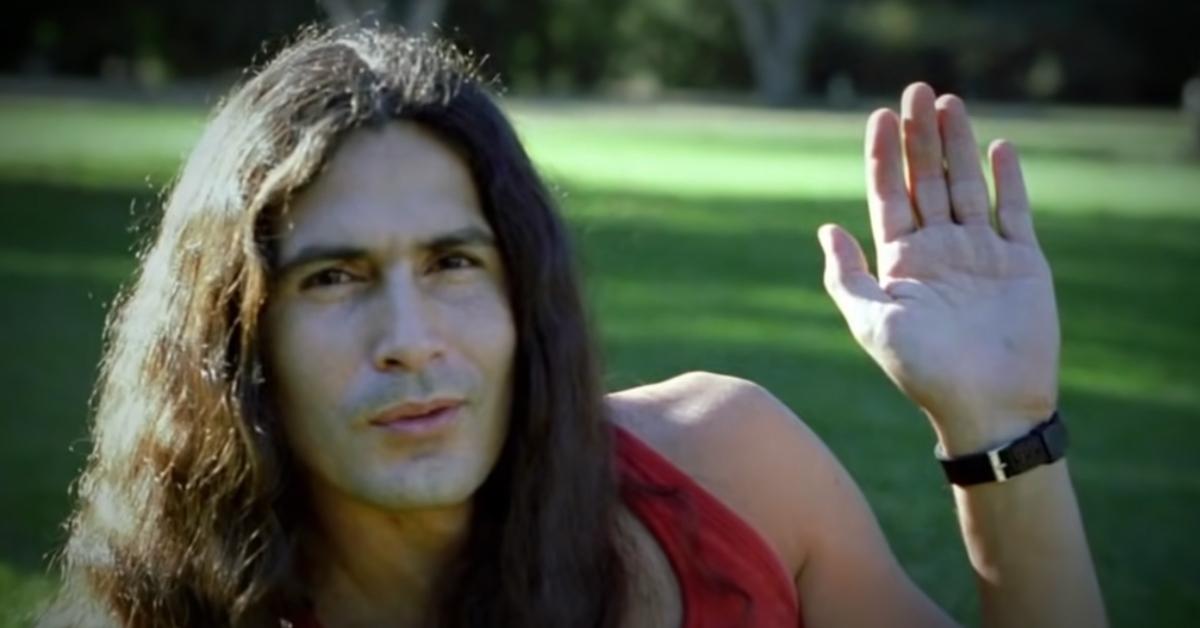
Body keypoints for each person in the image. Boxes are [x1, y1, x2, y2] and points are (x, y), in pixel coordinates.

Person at [42, 26, 1106, 628]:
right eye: (333, 278)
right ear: (237, 335)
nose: (411, 336)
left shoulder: (736, 473)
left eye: (455, 262)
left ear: (525, 297)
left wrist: (1001, 425)